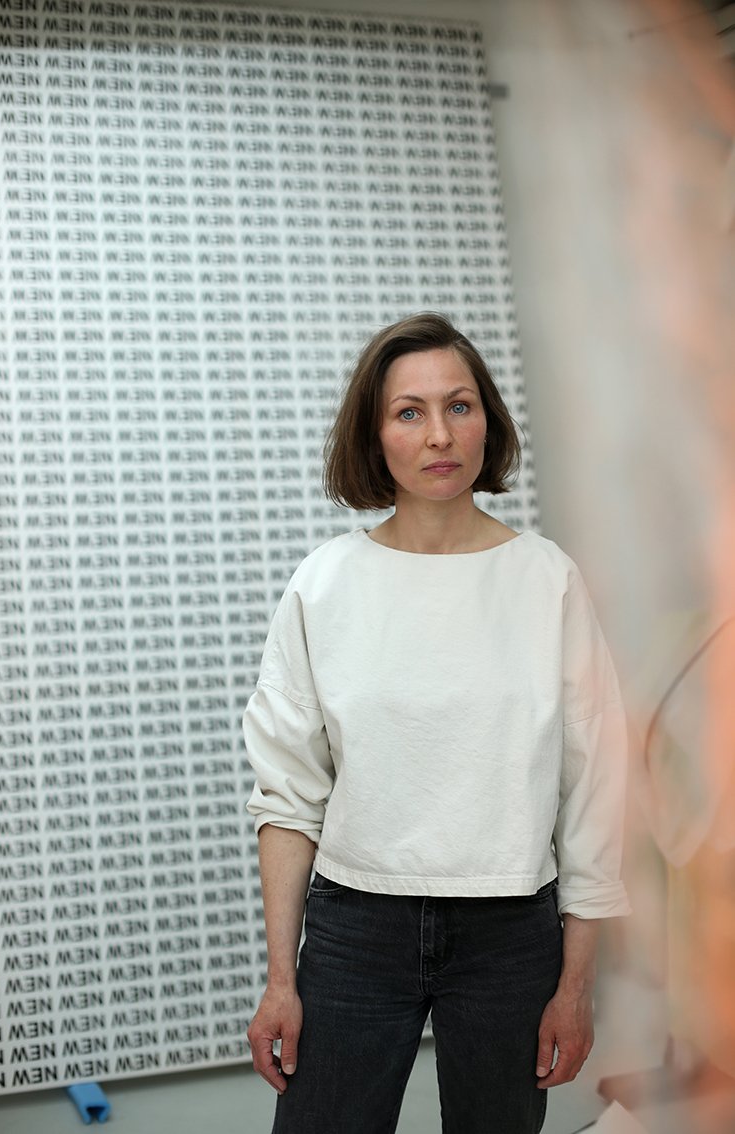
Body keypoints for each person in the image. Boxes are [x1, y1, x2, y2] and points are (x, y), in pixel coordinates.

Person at [243, 312, 630, 1133]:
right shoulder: (327, 583)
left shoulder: (547, 581)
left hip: (511, 933)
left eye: (459, 405)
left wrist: (576, 985)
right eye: (408, 412)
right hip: (354, 928)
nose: (439, 435)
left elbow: (595, 794)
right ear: (373, 435)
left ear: (488, 420)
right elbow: (287, 797)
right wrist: (282, 979)